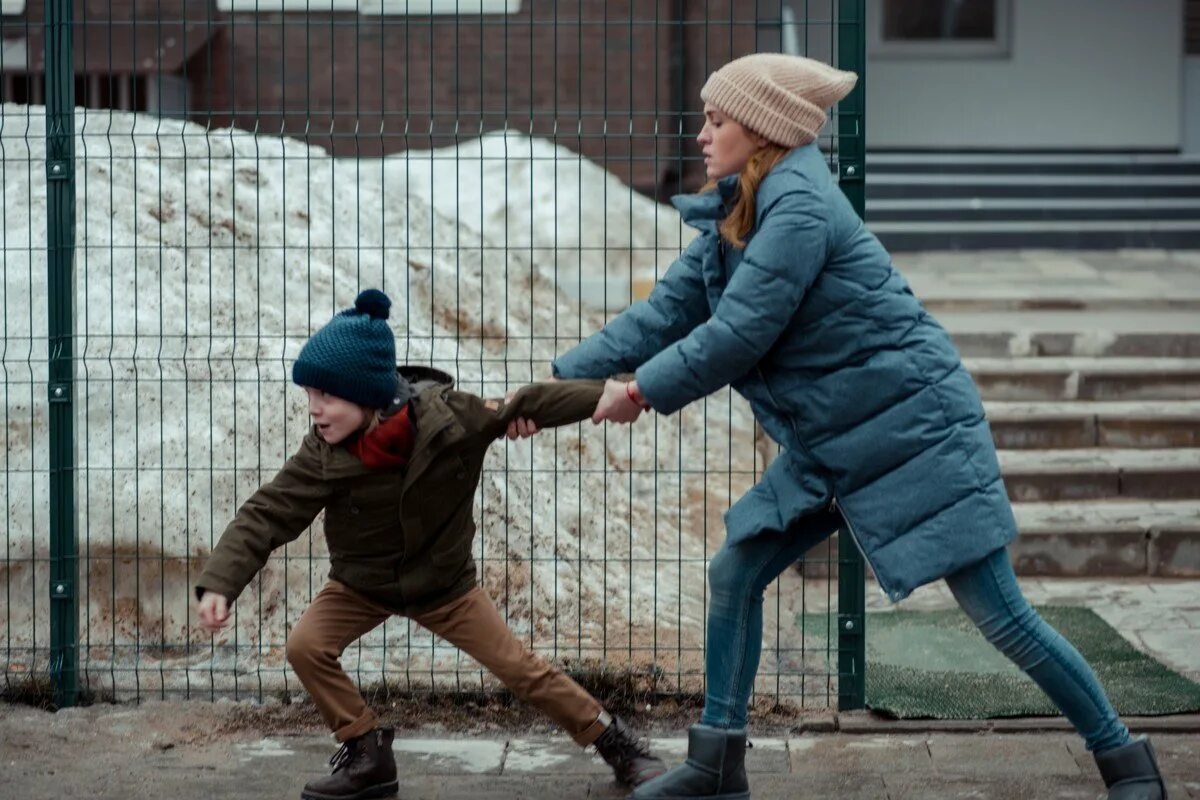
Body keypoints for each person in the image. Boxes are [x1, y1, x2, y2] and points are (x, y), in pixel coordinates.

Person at [510, 54, 1167, 800]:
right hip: (833, 440)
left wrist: (635, 393)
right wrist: (559, 385)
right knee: (738, 569)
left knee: (1001, 615)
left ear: (759, 131)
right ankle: (715, 767)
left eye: (716, 120)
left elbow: (737, 335)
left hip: (911, 430)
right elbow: (665, 314)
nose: (700, 135)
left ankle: (1126, 764)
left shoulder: (798, 208)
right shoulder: (748, 206)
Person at [195, 289, 665, 800]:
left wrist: (608, 397)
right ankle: (367, 753)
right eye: (309, 396)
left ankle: (619, 745)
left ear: (367, 393)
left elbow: (525, 403)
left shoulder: (448, 420)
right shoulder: (321, 454)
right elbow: (267, 512)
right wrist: (221, 583)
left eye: (325, 396)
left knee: (519, 668)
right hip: (362, 585)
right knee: (307, 646)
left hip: (444, 586)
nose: (314, 410)